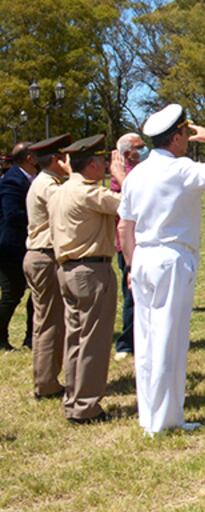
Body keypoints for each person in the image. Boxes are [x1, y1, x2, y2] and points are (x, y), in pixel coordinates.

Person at [118, 104, 205, 435]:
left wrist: (129, 263)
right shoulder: (180, 169)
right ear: (178, 136)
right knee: (170, 339)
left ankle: (149, 414)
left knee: (146, 338)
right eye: (186, 133)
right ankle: (167, 420)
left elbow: (125, 226)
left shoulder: (136, 173)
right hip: (171, 257)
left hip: (141, 258)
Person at [48, 135, 125, 424]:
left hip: (67, 270)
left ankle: (74, 399)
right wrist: (120, 176)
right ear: (91, 165)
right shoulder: (89, 193)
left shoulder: (60, 191)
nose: (105, 166)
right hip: (91, 271)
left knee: (75, 339)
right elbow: (131, 203)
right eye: (103, 162)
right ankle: (87, 407)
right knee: (94, 340)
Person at [23, 133, 72, 399]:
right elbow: (71, 205)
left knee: (50, 320)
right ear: (56, 159)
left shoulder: (47, 181)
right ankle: (46, 384)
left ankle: (48, 379)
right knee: (49, 323)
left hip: (42, 255)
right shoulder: (49, 186)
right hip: (44, 256)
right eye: (65, 157)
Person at [0, 141, 37, 351]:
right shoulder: (12, 181)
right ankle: (1, 337)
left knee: (37, 292)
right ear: (30, 157)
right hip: (11, 247)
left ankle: (31, 337)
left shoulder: (34, 178)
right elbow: (12, 214)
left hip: (28, 245)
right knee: (12, 294)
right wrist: (40, 216)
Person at [111, 132, 145, 360]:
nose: (143, 149)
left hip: (146, 240)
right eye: (138, 147)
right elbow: (131, 198)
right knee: (131, 294)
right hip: (129, 244)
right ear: (126, 152)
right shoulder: (120, 176)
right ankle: (126, 342)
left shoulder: (142, 170)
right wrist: (122, 177)